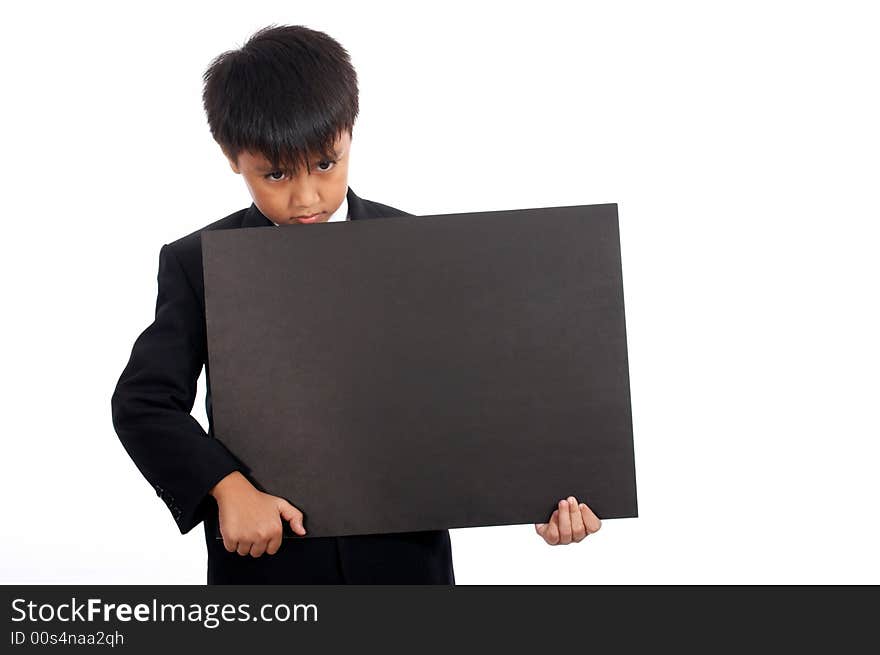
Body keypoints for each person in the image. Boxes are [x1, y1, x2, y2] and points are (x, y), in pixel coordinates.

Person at [111, 24, 601, 585]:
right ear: (231, 158)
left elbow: (482, 391)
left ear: (349, 133)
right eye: (275, 174)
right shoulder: (196, 262)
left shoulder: (418, 248)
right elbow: (144, 402)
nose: (306, 197)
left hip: (405, 566)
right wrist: (228, 488)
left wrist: (545, 493)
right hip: (268, 571)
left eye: (325, 164)